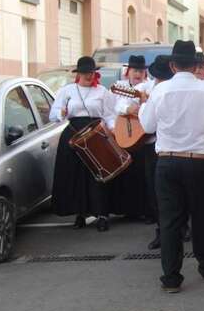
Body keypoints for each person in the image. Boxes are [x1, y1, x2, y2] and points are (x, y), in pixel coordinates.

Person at [138, 40, 204, 293]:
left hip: (167, 160)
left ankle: (171, 277)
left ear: (173, 66)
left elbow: (147, 126)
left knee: (170, 220)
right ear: (195, 65)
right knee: (202, 215)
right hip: (199, 161)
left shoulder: (160, 90)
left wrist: (144, 105)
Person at [48, 56, 110, 231]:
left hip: (96, 134)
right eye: (85, 73)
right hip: (73, 134)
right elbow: (53, 115)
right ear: (79, 74)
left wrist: (111, 132)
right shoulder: (67, 91)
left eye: (91, 72)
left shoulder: (102, 91)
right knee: (75, 175)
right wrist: (61, 112)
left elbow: (109, 115)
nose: (89, 76)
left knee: (98, 174)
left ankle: (102, 214)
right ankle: (80, 213)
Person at [106, 55, 152, 221]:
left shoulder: (150, 86)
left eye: (141, 71)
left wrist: (144, 103)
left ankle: (147, 210)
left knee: (144, 174)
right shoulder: (121, 87)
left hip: (146, 137)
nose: (138, 74)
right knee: (127, 173)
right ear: (128, 71)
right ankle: (127, 209)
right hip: (126, 134)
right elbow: (112, 108)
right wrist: (127, 109)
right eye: (135, 70)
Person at [142, 55, 173, 250]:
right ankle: (162, 230)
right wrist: (135, 106)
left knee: (171, 193)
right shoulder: (146, 88)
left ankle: (178, 228)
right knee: (155, 191)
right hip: (151, 146)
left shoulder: (170, 90)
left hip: (167, 148)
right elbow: (119, 105)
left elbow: (148, 124)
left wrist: (145, 107)